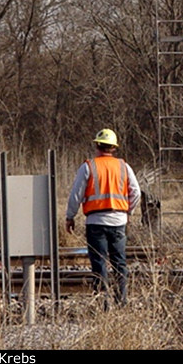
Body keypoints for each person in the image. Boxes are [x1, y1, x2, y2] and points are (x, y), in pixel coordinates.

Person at [65, 128, 141, 307]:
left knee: (99, 264)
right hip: (119, 221)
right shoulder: (124, 166)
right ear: (114, 148)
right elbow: (136, 192)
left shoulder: (88, 166)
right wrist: (128, 211)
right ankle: (122, 301)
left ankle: (103, 304)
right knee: (120, 263)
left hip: (95, 222)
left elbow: (76, 194)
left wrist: (70, 216)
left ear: (97, 145)